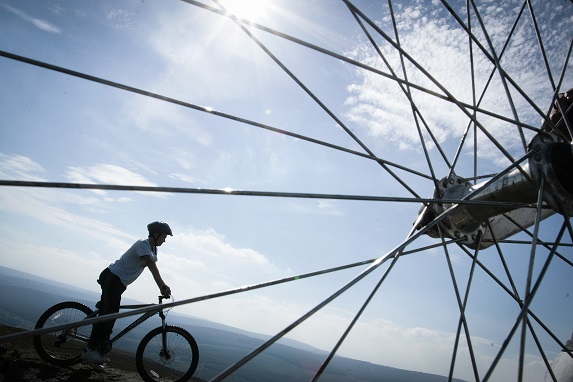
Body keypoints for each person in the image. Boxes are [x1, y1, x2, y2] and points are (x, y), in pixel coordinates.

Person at [81, 221, 173, 369]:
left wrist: (161, 285)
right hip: (112, 278)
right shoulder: (143, 244)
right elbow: (151, 265)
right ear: (155, 235)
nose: (165, 239)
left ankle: (95, 354)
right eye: (164, 236)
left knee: (107, 314)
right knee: (109, 315)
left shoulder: (153, 249)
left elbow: (152, 264)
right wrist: (162, 285)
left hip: (119, 283)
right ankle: (90, 351)